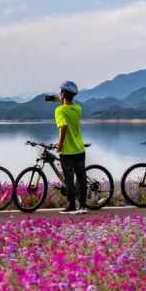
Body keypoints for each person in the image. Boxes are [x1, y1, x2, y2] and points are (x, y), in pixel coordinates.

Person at [53, 81, 87, 214]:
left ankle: (72, 205)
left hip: (67, 151)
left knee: (69, 178)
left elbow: (64, 126)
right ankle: (83, 205)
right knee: (81, 177)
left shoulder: (59, 110)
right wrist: (61, 100)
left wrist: (60, 143)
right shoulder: (78, 109)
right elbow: (69, 109)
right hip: (79, 148)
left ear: (62, 93)